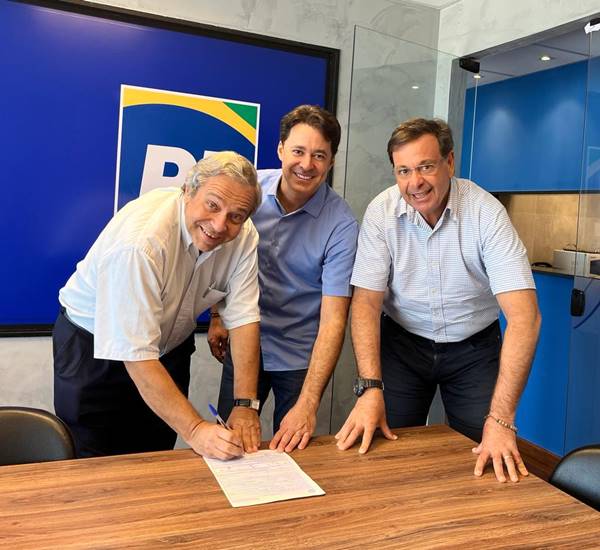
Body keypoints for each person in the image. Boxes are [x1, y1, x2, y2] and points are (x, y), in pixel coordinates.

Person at [335, 118, 541, 483]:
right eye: (404, 171)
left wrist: (501, 419)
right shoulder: (382, 212)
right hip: (403, 346)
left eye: (426, 167)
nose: (415, 182)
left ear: (450, 162)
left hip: (474, 350)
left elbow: (525, 318)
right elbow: (365, 304)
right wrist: (369, 388)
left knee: (486, 455)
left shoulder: (486, 213)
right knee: (383, 449)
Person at [54, 151, 262, 460]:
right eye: (212, 205)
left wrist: (245, 405)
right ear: (188, 191)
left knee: (156, 452)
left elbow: (244, 319)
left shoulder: (243, 235)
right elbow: (136, 354)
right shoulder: (141, 243)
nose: (220, 225)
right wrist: (195, 430)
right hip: (94, 352)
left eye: (235, 216)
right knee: (96, 460)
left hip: (168, 347)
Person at [208, 105, 359, 452]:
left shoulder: (342, 225)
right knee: (229, 441)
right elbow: (220, 255)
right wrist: (217, 315)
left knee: (290, 449)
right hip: (244, 342)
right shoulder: (249, 191)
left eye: (319, 155)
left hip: (299, 356)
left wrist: (308, 404)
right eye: (298, 151)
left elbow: (334, 319)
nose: (307, 164)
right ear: (280, 149)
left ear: (331, 161)